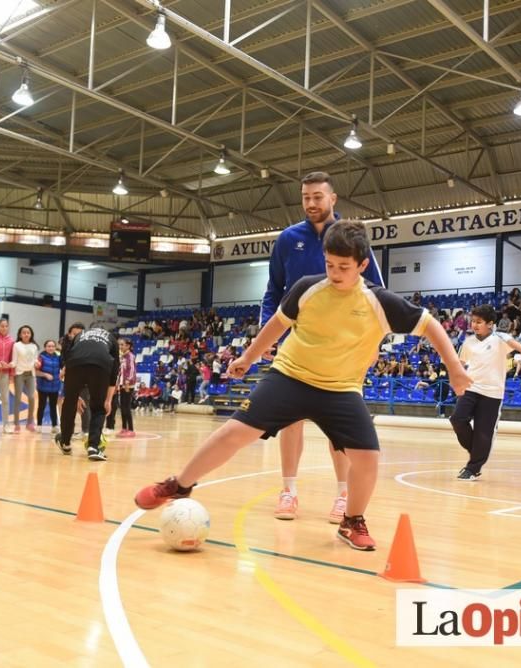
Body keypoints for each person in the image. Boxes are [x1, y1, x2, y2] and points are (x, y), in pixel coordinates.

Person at [134, 221, 472, 551]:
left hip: (340, 389)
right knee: (233, 432)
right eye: (329, 264)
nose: (335, 272)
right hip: (290, 376)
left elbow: (431, 326)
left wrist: (454, 369)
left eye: (344, 266)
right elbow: (276, 326)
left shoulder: (379, 301)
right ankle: (178, 486)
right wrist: (249, 357)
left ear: (363, 265)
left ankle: (351, 521)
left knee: (368, 458)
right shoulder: (308, 288)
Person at [260, 171, 385, 523]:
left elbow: (377, 291)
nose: (311, 203)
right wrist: (266, 333)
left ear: (333, 198)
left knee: (339, 426)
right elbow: (274, 291)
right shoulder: (288, 239)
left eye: (318, 196)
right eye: (305, 197)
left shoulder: (350, 237)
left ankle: (343, 496)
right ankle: (289, 491)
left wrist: (373, 342)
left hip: (344, 346)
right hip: (297, 341)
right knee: (291, 420)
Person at [450, 305, 521, 480]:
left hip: (492, 393)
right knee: (457, 419)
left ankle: (473, 468)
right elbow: (461, 363)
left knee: (483, 432)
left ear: (490, 324)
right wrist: (456, 378)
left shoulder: (499, 338)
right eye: (473, 321)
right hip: (471, 388)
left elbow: (512, 343)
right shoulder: (468, 341)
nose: (475, 325)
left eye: (479, 322)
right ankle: (478, 449)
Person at [53, 325, 119, 461]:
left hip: (75, 364)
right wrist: (107, 400)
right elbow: (114, 372)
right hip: (101, 365)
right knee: (98, 407)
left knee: (69, 404)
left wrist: (73, 395)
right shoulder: (112, 338)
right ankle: (93, 447)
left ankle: (65, 443)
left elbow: (68, 355)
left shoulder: (80, 335)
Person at [11, 325, 40, 433]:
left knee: (32, 397)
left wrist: (36, 363)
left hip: (31, 374)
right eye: (24, 332)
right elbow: (14, 361)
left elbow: (35, 359)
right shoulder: (16, 345)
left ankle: (29, 422)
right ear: (20, 334)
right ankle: (16, 424)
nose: (26, 334)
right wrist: (8, 365)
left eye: (28, 332)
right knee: (18, 398)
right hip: (19, 374)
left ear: (31, 334)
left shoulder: (34, 346)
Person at [36, 339, 61, 430]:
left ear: (55, 348)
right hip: (43, 386)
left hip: (55, 387)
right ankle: (39, 425)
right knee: (41, 406)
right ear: (45, 347)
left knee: (53, 407)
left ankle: (54, 426)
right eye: (49, 346)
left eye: (52, 346)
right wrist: (45, 375)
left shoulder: (59, 357)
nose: (51, 348)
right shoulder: (41, 357)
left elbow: (64, 367)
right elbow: (35, 372)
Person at [116, 338, 137, 437]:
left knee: (127, 407)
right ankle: (124, 428)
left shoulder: (130, 356)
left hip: (128, 385)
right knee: (122, 407)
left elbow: (131, 370)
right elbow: (120, 372)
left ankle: (131, 429)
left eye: (122, 345)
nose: (120, 347)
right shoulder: (122, 357)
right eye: (120, 345)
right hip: (122, 384)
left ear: (128, 346)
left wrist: (127, 382)